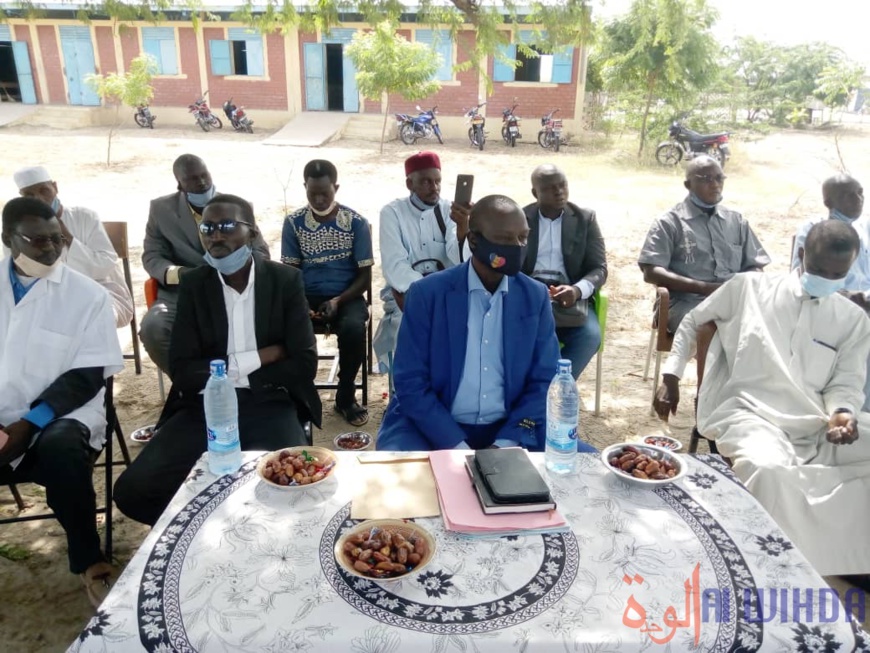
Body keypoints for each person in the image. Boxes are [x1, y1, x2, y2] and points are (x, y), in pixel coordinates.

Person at [653, 220, 870, 578]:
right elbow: (693, 321)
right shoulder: (748, 288)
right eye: (819, 270)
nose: (827, 279)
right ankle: (773, 568)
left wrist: (842, 414)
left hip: (815, 424)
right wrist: (671, 376)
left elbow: (845, 383)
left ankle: (850, 562)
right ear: (801, 255)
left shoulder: (851, 319)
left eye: (838, 273)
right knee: (769, 470)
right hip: (749, 414)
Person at [115, 194, 321, 526]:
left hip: (268, 399)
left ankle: (247, 534)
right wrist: (262, 356)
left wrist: (226, 370)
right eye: (208, 228)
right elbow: (183, 371)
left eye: (227, 226)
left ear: (251, 233)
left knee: (295, 490)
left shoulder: (283, 281)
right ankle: (204, 532)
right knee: (134, 491)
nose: (216, 236)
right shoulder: (195, 284)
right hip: (203, 404)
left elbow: (303, 365)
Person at [377, 194, 598, 453]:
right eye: (505, 240)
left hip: (511, 428)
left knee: (587, 466)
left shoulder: (534, 296)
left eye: (523, 237)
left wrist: (504, 444)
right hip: (432, 425)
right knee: (402, 482)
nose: (517, 247)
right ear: (473, 241)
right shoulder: (427, 294)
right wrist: (456, 446)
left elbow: (544, 379)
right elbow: (410, 381)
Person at [0, 197, 124, 608]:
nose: (51, 250)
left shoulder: (85, 295)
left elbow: (87, 376)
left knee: (61, 449)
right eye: (38, 241)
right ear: (7, 239)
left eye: (57, 240)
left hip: (62, 412)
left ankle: (90, 561)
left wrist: (30, 422)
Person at [139, 154, 270, 375]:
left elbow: (260, 252)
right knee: (153, 329)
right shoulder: (161, 210)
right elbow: (152, 255)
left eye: (204, 175)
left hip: (234, 287)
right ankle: (190, 384)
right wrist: (179, 274)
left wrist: (237, 270)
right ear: (179, 184)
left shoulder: (236, 207)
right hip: (182, 290)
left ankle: (239, 382)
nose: (201, 183)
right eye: (192, 179)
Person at [282, 160, 373, 427]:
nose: (320, 199)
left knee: (354, 328)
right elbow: (290, 272)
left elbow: (365, 277)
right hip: (304, 294)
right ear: (305, 188)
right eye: (313, 194)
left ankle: (345, 397)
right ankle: (300, 396)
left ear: (336, 187)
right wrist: (300, 304)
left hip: (347, 295)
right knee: (285, 326)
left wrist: (338, 300)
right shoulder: (294, 222)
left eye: (326, 193)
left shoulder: (355, 222)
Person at [638, 156, 770, 333]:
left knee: (767, 326)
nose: (715, 184)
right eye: (706, 179)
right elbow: (651, 272)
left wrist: (741, 285)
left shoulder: (736, 221)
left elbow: (755, 265)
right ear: (688, 185)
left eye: (719, 178)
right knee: (711, 331)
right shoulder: (669, 222)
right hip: (686, 302)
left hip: (732, 300)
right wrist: (705, 288)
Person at [372, 151, 470, 373]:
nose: (434, 187)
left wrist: (464, 226)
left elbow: (459, 258)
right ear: (410, 183)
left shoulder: (449, 210)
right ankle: (402, 401)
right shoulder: (392, 213)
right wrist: (425, 295)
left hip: (448, 294)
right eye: (426, 181)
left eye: (437, 181)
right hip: (406, 294)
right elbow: (395, 266)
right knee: (404, 336)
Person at [12, 165, 133, 328]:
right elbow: (21, 275)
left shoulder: (84, 217)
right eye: (30, 195)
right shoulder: (19, 229)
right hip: (47, 297)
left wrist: (66, 236)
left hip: (102, 291)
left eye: (44, 190)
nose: (39, 199)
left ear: (55, 187)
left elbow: (104, 266)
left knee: (92, 316)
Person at [522, 164, 607, 380]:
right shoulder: (521, 218)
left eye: (563, 185)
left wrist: (577, 290)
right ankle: (533, 390)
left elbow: (599, 268)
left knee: (589, 336)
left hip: (568, 298)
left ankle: (553, 389)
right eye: (550, 188)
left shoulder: (585, 219)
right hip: (529, 297)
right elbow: (509, 266)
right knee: (507, 333)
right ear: (535, 193)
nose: (559, 192)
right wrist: (529, 290)